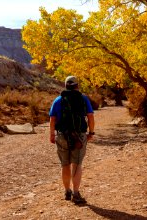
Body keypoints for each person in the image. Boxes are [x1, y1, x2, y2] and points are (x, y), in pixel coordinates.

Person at [49, 75, 95, 204]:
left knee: (65, 164)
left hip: (62, 135)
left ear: (65, 85)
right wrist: (91, 132)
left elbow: (52, 119)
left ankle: (67, 191)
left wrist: (52, 135)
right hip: (79, 136)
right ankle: (76, 193)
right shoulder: (83, 99)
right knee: (77, 164)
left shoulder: (58, 100)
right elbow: (90, 117)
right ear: (77, 86)